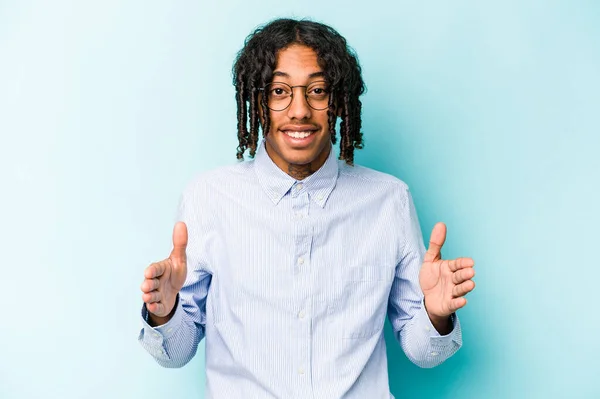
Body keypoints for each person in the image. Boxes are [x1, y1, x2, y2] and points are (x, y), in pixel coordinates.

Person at [138, 18, 476, 399]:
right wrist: (164, 311)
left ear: (338, 101)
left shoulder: (389, 200)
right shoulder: (209, 198)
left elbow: (423, 351)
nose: (299, 110)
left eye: (317, 90)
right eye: (280, 90)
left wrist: (435, 312)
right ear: (259, 99)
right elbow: (176, 351)